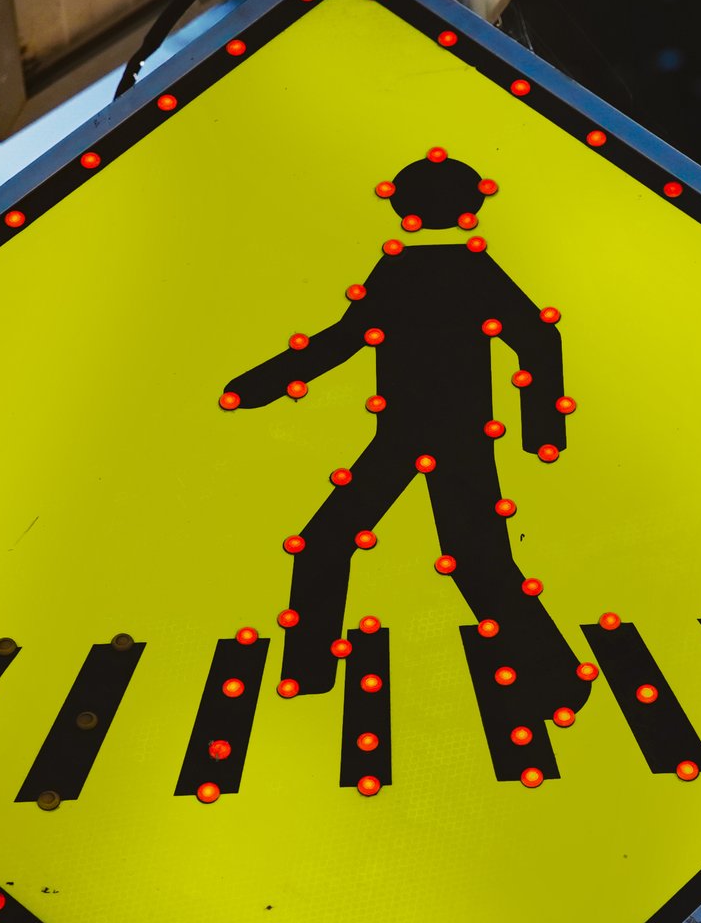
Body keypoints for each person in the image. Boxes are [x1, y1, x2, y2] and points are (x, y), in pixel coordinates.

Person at [219, 150, 589, 716]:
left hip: (443, 438)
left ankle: (557, 679)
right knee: (439, 553)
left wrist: (542, 432)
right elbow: (347, 339)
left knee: (451, 555)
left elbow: (536, 337)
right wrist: (540, 431)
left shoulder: (445, 269)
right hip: (417, 436)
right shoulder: (433, 269)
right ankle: (310, 673)